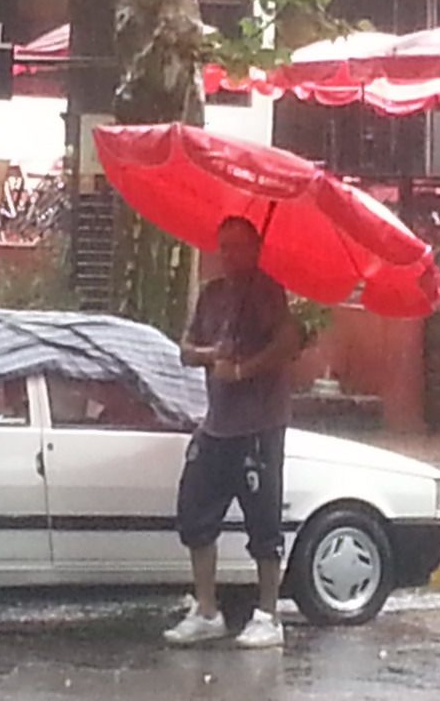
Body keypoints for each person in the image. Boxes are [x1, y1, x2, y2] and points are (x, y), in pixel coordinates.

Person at [164, 215, 302, 649]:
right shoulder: (213, 295)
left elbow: (288, 344)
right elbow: (186, 350)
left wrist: (244, 369)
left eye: (239, 246)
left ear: (255, 249)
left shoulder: (268, 293)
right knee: (194, 510)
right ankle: (207, 610)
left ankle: (269, 615)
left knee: (263, 521)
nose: (229, 255)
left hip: (259, 425)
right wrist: (212, 355)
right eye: (224, 246)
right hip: (218, 425)